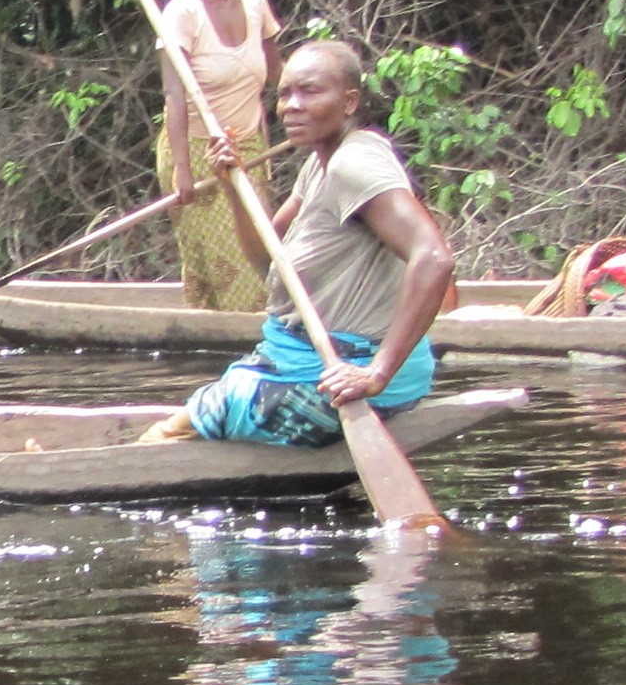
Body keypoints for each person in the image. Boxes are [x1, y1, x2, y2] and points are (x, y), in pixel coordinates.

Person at [145, 37, 455, 444]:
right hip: (296, 360)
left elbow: (434, 258)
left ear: (348, 102)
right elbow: (269, 264)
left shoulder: (354, 164)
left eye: (310, 91)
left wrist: (377, 373)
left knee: (170, 432)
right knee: (186, 421)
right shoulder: (319, 162)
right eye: (285, 93)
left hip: (345, 375)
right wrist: (233, 184)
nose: (291, 105)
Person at [155, 0, 283, 311]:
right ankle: (226, 334)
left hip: (248, 145)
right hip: (197, 149)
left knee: (259, 248)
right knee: (222, 260)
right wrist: (183, 169)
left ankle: (257, 328)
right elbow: (175, 96)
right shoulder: (182, 14)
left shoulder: (255, 1)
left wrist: (304, 116)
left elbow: (277, 70)